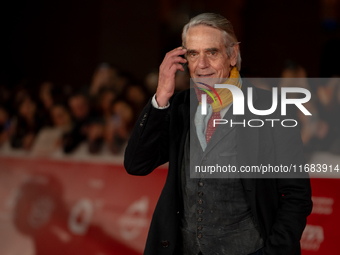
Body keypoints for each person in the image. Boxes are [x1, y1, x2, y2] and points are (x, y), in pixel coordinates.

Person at [124, 13, 312, 255]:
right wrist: (161, 97)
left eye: (211, 52)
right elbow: (136, 163)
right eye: (193, 54)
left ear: (232, 55)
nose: (201, 64)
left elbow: (297, 196)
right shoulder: (179, 107)